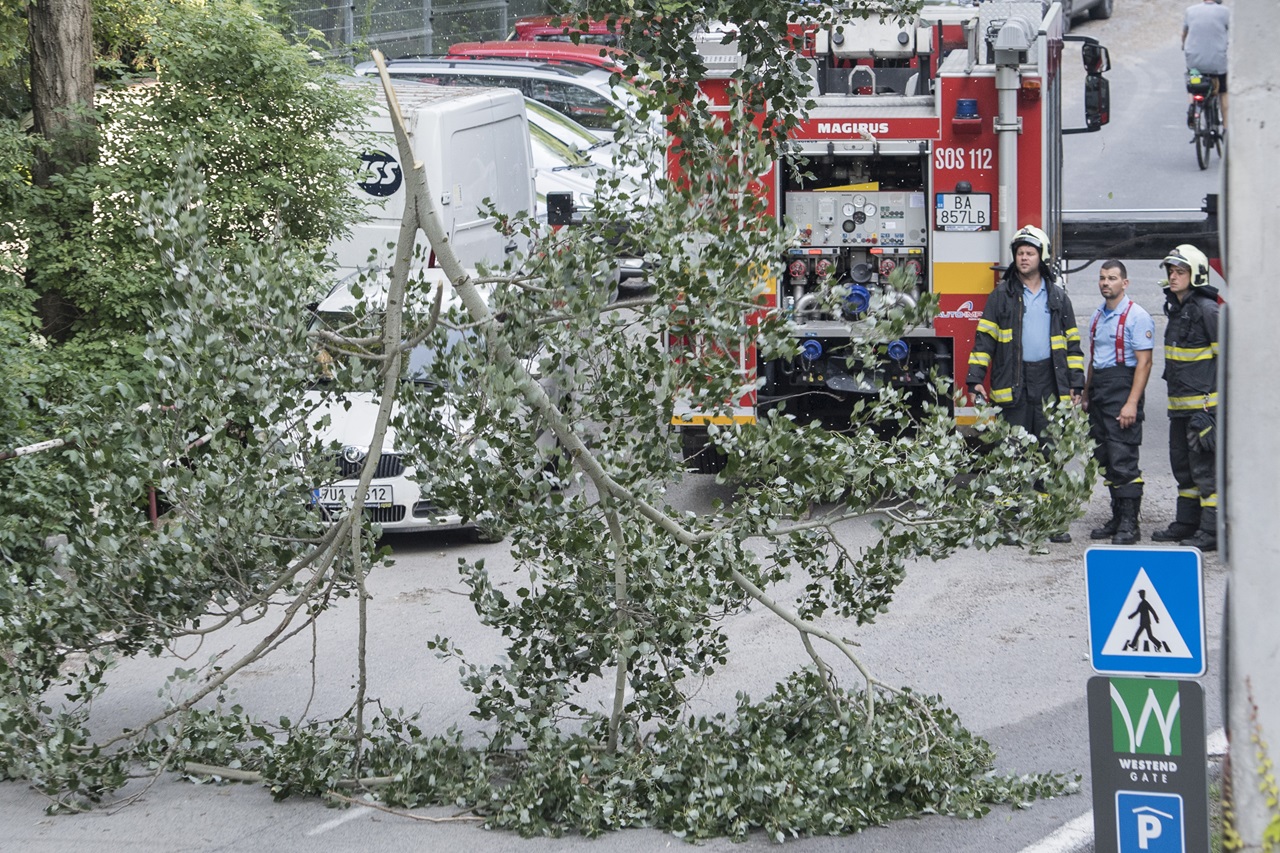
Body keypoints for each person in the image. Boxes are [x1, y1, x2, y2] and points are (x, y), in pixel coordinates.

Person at [966, 225, 1086, 543]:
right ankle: (1013, 523)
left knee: (1051, 455)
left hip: (1050, 384)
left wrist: (1076, 384)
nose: (1023, 257)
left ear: (1041, 257)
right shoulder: (1001, 296)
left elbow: (1072, 345)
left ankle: (1051, 522)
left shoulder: (1058, 297)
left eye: (1029, 252)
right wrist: (975, 379)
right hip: (1014, 385)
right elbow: (984, 341)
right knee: (1014, 455)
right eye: (1019, 252)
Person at [1150, 244, 1220, 551]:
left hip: (1202, 411)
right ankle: (1187, 522)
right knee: (1183, 468)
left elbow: (1228, 361)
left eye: (1180, 271)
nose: (1174, 276)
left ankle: (1211, 530)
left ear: (1196, 275)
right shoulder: (1177, 309)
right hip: (1178, 409)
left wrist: (1214, 410)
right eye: (1171, 271)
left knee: (1205, 471)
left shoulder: (1208, 310)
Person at [1083, 260, 1154, 545]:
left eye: (1112, 278)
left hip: (1123, 389)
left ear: (1125, 283)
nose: (1105, 283)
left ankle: (1129, 524)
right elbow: (1094, 360)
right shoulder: (1097, 316)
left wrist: (1132, 403)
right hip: (1100, 389)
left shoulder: (1138, 317)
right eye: (1102, 278)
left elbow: (1145, 363)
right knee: (1106, 458)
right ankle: (1116, 517)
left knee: (1123, 458)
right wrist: (1087, 393)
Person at [1183, 0, 1230, 127]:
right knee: (1223, 92)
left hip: (1195, 61)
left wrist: (1184, 46)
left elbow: (1184, 34)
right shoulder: (1225, 12)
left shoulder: (1190, 10)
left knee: (1193, 81)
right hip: (1217, 62)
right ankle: (1226, 127)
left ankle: (1192, 106)